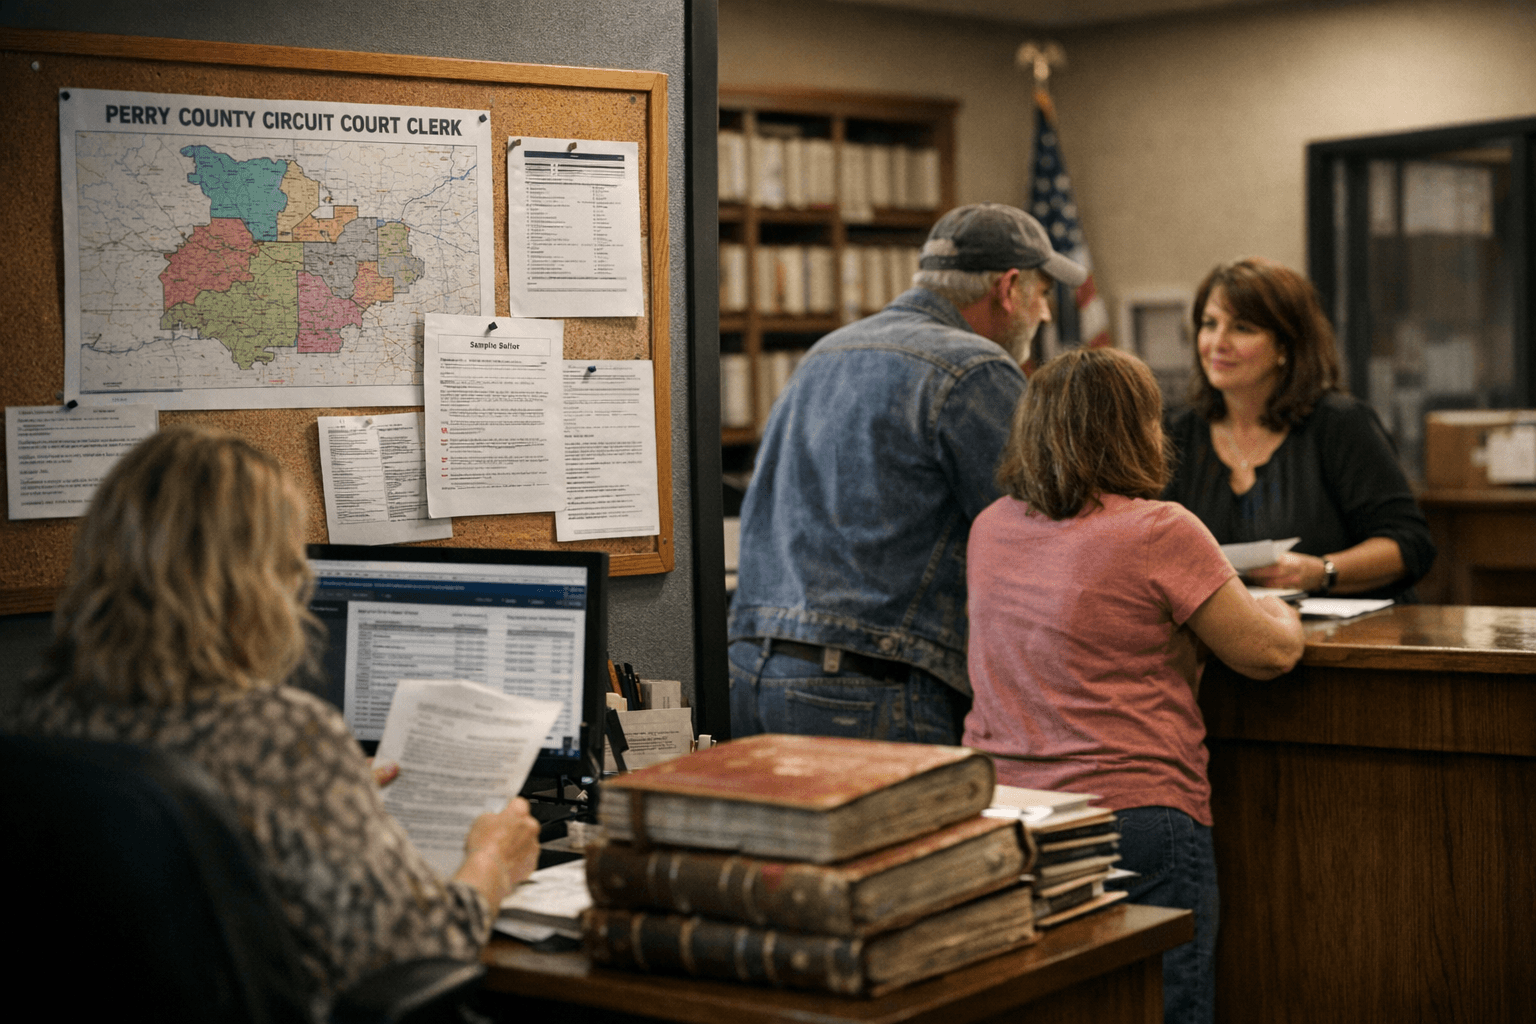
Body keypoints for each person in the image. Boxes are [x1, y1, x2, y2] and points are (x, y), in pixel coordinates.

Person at [1, 425, 540, 1021]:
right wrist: (491, 860)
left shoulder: (45, 710)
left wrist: (325, 798)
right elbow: (419, 950)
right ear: (260, 580)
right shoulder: (281, 737)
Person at [963, 346, 1305, 1024]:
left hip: (1011, 817)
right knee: (1164, 1008)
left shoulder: (990, 527)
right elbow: (1265, 654)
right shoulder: (1158, 530)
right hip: (1135, 815)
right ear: (1132, 430)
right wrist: (1282, 612)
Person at [727, 203, 1087, 744]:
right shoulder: (977, 369)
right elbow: (1045, 535)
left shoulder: (825, 353)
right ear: (1008, 288)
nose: (1045, 314)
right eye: (1042, 294)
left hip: (751, 674)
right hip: (871, 686)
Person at [1163, 257, 1435, 598]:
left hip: (1339, 637)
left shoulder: (1340, 424)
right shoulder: (1176, 433)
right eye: (1209, 324)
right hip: (1219, 640)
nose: (1218, 343)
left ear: (1285, 345)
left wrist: (1321, 571)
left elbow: (1410, 544)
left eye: (1242, 328)